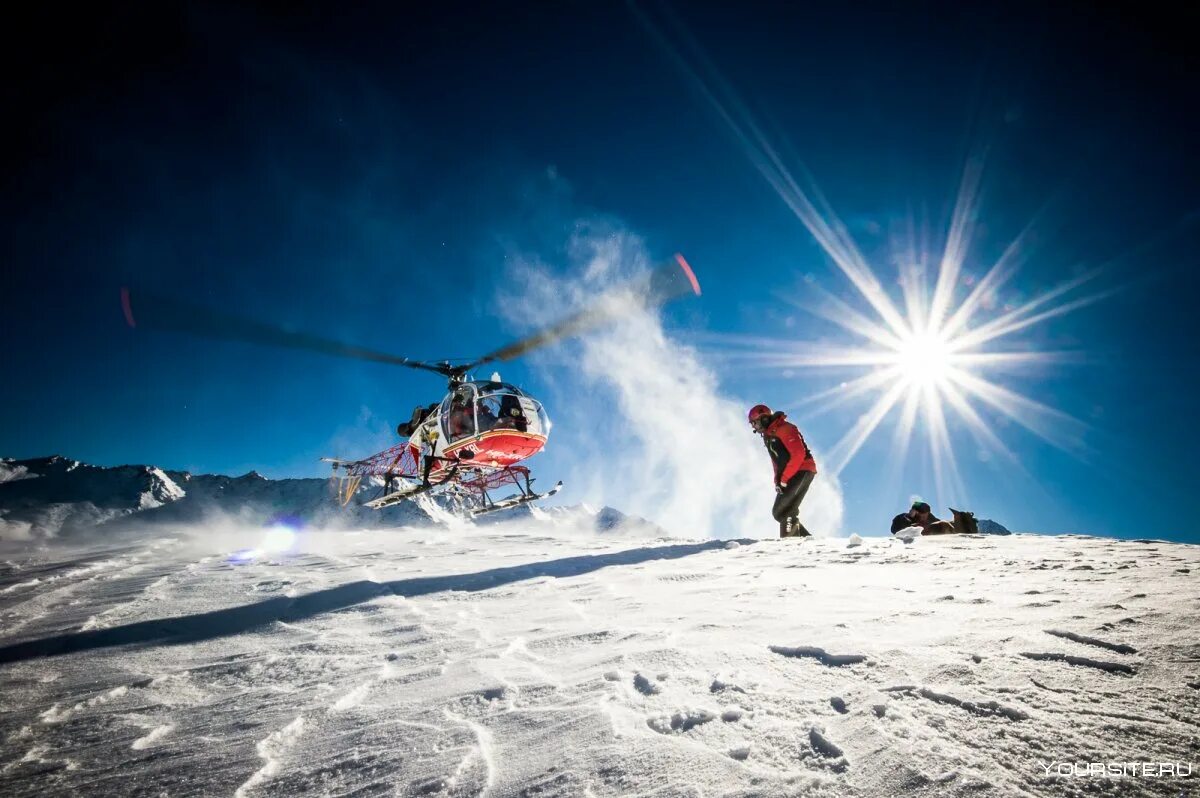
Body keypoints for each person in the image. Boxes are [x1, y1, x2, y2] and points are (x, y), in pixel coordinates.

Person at [749, 404, 817, 538]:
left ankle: (789, 545)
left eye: (755, 423)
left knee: (787, 509)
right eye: (752, 425)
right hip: (790, 474)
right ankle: (806, 540)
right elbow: (776, 461)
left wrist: (784, 479)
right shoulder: (768, 436)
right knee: (778, 512)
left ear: (764, 419)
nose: (754, 428)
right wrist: (777, 480)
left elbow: (798, 454)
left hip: (803, 469)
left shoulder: (785, 429)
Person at [890, 501, 956, 535]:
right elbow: (894, 531)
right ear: (915, 513)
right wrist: (909, 519)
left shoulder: (930, 518)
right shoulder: (901, 518)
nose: (924, 518)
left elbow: (941, 524)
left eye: (926, 515)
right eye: (922, 515)